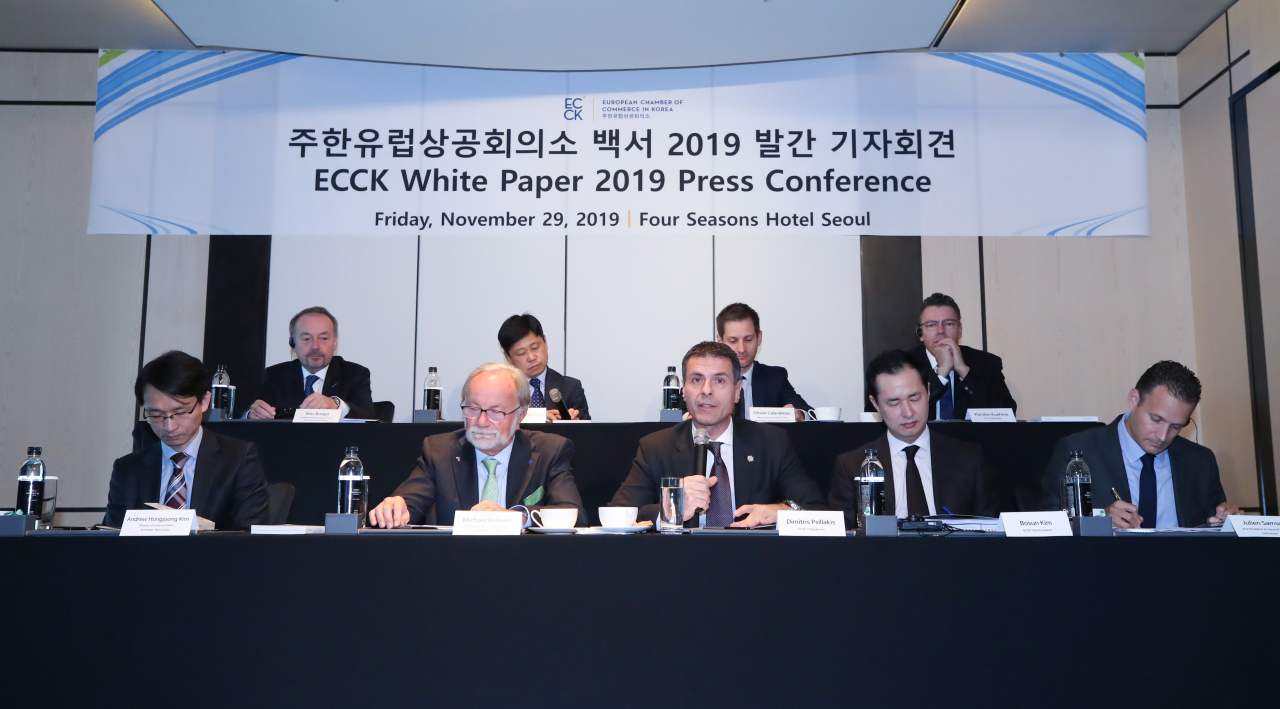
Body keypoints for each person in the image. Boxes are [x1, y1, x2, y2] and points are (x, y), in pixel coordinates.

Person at [608, 341, 825, 528]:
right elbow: (618, 515)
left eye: (719, 380)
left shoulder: (772, 443)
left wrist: (785, 512)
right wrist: (672, 507)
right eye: (696, 380)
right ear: (683, 390)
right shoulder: (656, 447)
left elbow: (818, 511)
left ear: (737, 390)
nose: (707, 390)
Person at [368, 362, 584, 528]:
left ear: (520, 416)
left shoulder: (550, 451)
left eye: (495, 412)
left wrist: (518, 517)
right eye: (472, 409)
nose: (481, 422)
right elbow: (409, 502)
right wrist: (396, 506)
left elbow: (574, 514)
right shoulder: (440, 450)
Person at [1040, 361, 1240, 528]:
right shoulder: (1079, 451)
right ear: (1134, 400)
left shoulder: (1200, 461)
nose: (1162, 436)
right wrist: (1100, 520)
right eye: (1156, 419)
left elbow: (1213, 526)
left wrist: (1227, 521)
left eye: (1176, 426)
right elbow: (1045, 523)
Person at [829, 349, 999, 527]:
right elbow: (843, 540)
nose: (908, 412)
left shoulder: (969, 459)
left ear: (927, 391)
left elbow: (991, 533)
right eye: (894, 402)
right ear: (876, 404)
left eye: (914, 398)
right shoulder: (852, 465)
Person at [104, 351, 270, 530]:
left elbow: (248, 538)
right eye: (156, 415)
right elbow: (111, 540)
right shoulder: (127, 470)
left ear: (205, 401)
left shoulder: (238, 460)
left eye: (181, 412)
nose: (169, 426)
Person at [248, 306, 375, 420]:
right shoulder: (276, 375)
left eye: (324, 338)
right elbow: (256, 411)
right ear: (293, 344)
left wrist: (336, 405)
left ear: (335, 342)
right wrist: (253, 414)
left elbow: (368, 417)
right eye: (307, 339)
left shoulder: (355, 374)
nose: (315, 346)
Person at [909, 292, 1016, 421]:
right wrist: (942, 372)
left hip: (970, 440)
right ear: (921, 334)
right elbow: (900, 411)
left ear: (959, 330)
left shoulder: (986, 363)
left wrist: (963, 370)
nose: (940, 331)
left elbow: (1007, 414)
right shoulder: (905, 365)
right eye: (931, 325)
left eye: (948, 323)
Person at [716, 302, 811, 421]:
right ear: (720, 341)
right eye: (733, 341)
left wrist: (799, 415)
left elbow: (808, 412)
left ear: (759, 338)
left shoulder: (774, 378)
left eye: (748, 339)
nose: (741, 349)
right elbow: (685, 411)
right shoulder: (705, 378)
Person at [498, 313, 590, 421]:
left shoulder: (571, 388)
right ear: (508, 357)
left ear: (545, 342)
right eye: (522, 353)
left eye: (535, 348)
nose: (531, 357)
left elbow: (587, 434)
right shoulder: (501, 391)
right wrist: (537, 417)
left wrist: (576, 425)